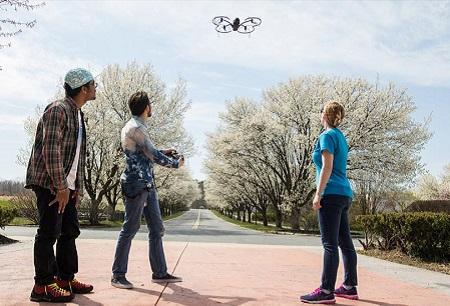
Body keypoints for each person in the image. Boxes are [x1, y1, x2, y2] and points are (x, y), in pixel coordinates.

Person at [25, 68, 96, 303]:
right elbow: (50, 149)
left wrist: (77, 188)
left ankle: (65, 278)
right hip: (50, 184)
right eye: (93, 84)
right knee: (48, 233)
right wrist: (61, 186)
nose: (96, 88)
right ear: (84, 88)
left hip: (67, 186)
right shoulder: (58, 109)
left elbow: (78, 156)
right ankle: (42, 285)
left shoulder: (78, 114)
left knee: (70, 231)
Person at [111, 91, 184, 289]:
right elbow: (152, 154)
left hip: (147, 184)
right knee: (130, 228)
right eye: (150, 104)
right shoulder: (135, 127)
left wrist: (164, 151)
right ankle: (118, 275)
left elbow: (147, 151)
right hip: (136, 184)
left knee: (157, 228)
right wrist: (175, 164)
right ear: (146, 107)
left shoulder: (138, 127)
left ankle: (159, 273)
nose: (152, 107)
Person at [300, 101, 358, 304]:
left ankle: (326, 290)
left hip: (331, 194)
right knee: (345, 243)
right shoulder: (340, 136)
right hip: (344, 193)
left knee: (330, 245)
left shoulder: (326, 136)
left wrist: (318, 193)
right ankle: (349, 287)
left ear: (323, 115)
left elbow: (327, 165)